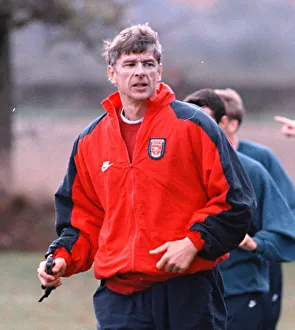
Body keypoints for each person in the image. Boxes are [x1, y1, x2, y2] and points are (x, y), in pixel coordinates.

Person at [37, 25, 256, 330]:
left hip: (189, 292)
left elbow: (236, 202)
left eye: (148, 64)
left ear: (159, 71)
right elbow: (83, 220)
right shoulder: (90, 140)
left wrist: (193, 242)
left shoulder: (194, 125)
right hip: (121, 297)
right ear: (112, 73)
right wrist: (61, 257)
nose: (140, 72)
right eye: (130, 64)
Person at [183, 88, 295, 330]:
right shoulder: (179, 168)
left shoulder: (255, 163)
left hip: (247, 280)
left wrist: (255, 244)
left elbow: (284, 215)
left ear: (227, 123)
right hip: (196, 288)